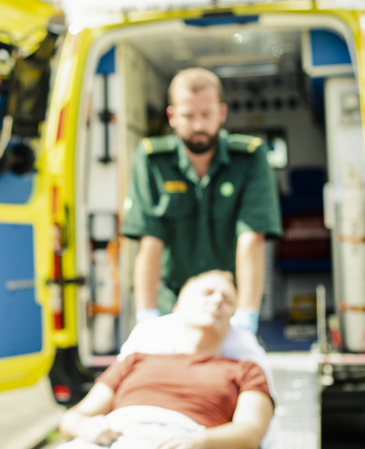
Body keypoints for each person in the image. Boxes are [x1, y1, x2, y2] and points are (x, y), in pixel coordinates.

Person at [122, 68, 281, 333]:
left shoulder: (251, 158)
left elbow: (251, 239)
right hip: (171, 304)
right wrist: (146, 317)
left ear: (222, 113)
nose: (198, 126)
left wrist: (246, 314)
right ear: (172, 116)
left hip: (226, 304)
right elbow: (150, 242)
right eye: (188, 115)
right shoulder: (152, 160)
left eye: (206, 114)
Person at [58, 270, 274, 449]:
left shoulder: (246, 370)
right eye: (207, 293)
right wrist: (85, 427)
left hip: (188, 439)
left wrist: (198, 441)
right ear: (178, 307)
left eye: (227, 300)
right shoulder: (135, 361)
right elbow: (73, 417)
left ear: (232, 319)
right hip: (115, 437)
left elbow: (251, 432)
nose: (217, 300)